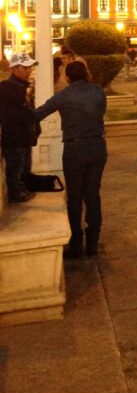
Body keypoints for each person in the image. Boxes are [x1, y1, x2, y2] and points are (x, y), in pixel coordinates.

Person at [34, 61, 108, 258]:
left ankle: (76, 244)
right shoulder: (98, 91)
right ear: (85, 73)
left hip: (75, 148)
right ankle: (92, 242)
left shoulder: (64, 95)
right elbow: (101, 111)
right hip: (97, 146)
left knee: (74, 197)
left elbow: (39, 113)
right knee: (92, 194)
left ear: (67, 77)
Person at [0, 52, 39, 204]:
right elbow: (14, 113)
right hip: (15, 135)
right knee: (16, 166)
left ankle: (21, 190)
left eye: (30, 67)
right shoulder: (10, 87)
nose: (29, 71)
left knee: (22, 166)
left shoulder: (22, 87)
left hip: (23, 135)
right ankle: (16, 194)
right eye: (25, 68)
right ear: (14, 69)